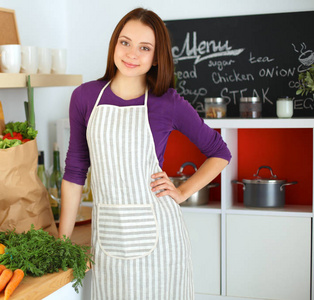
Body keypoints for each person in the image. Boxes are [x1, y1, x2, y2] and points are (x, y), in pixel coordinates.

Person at [58, 7, 231, 300]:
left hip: (162, 242)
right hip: (109, 240)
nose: (132, 54)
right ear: (114, 44)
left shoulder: (167, 102)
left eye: (144, 48)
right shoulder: (85, 97)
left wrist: (183, 191)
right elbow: (75, 173)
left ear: (156, 57)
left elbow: (220, 152)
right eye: (125, 42)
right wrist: (63, 243)